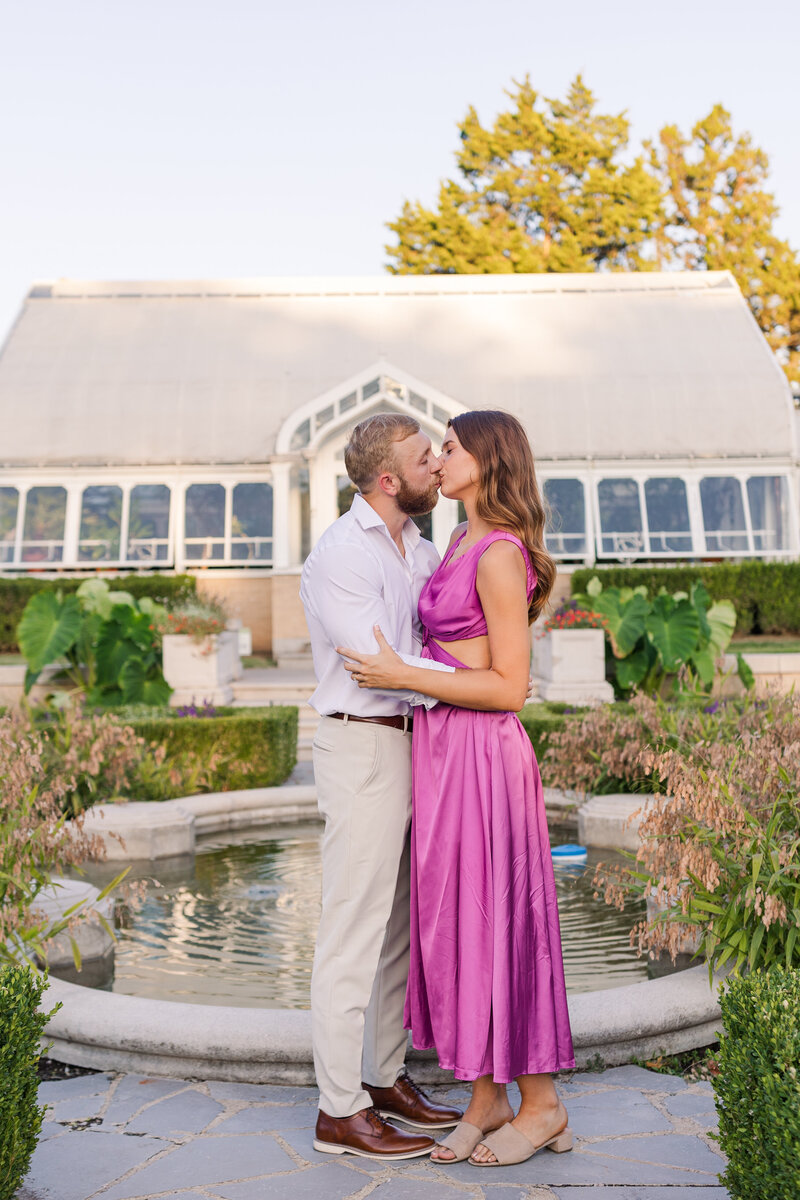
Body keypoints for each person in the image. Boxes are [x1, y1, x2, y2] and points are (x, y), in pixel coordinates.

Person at [338, 410, 576, 1168]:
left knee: (501, 921)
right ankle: (485, 1097)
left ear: (487, 460)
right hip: (443, 753)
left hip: (482, 754)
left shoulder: (499, 553)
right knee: (458, 927)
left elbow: (511, 687)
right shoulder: (456, 542)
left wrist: (406, 676)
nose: (437, 460)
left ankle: (541, 1104)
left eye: (450, 447)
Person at [299, 412, 463, 1161]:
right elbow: (377, 662)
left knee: (397, 926)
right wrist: (473, 687)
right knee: (352, 929)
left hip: (412, 743)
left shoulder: (421, 549)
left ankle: (384, 1076)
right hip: (362, 745)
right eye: (425, 457)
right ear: (389, 480)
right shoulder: (341, 553)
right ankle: (339, 1110)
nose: (438, 465)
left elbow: (430, 642)